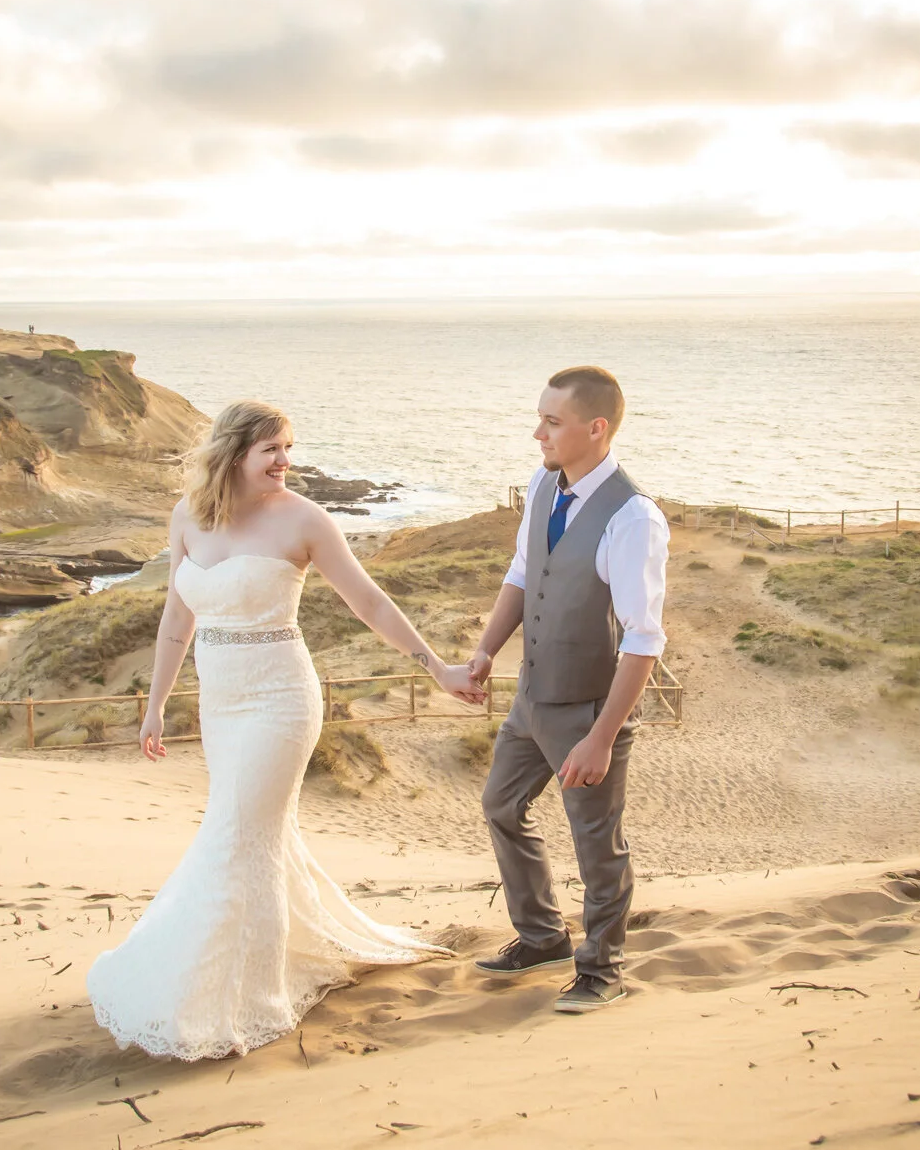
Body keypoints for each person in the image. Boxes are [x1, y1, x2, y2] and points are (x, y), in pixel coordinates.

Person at [86, 401, 468, 1059]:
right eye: (272, 449)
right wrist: (154, 705)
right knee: (254, 834)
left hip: (281, 699)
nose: (285, 460)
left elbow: (369, 600)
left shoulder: (305, 520)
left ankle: (251, 998)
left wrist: (434, 665)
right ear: (235, 453)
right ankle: (250, 965)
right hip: (222, 702)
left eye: (289, 447)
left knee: (239, 835)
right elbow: (177, 622)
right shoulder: (188, 517)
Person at [465, 366, 669, 1014]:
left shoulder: (634, 518)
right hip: (530, 697)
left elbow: (643, 639)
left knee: (596, 842)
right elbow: (524, 572)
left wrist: (602, 736)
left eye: (551, 422)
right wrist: (485, 650)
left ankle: (602, 967)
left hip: (587, 708)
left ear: (595, 427)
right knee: (500, 804)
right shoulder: (543, 484)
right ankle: (542, 934)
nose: (538, 433)